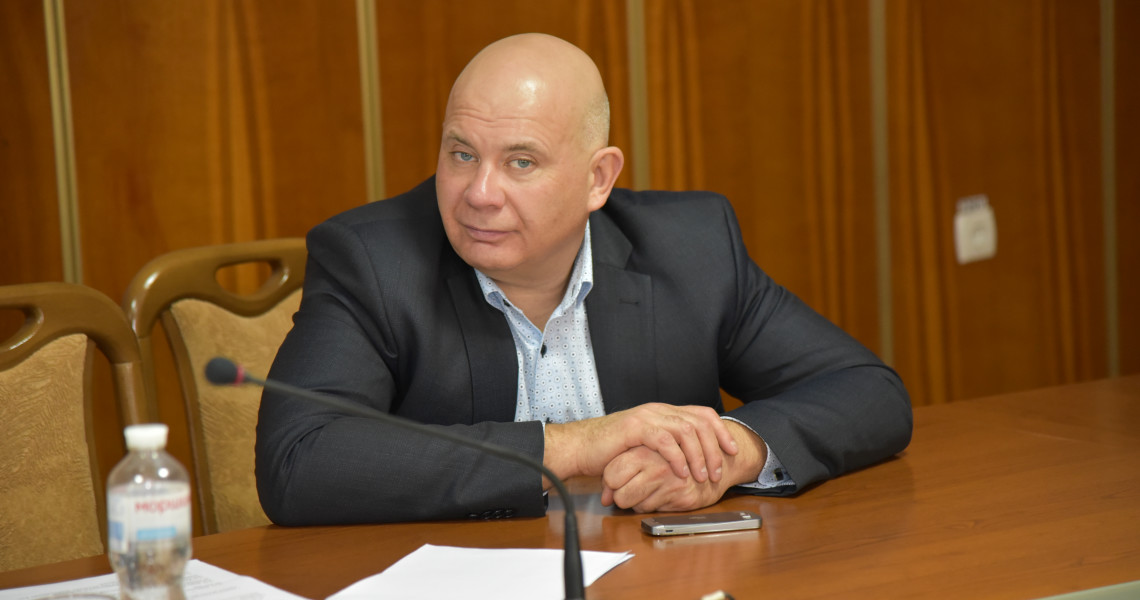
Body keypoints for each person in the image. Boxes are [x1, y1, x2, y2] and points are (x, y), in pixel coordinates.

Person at [255, 33, 912, 525]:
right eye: (461, 153)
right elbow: (300, 461)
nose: (479, 193)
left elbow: (867, 390)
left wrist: (727, 454)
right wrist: (576, 445)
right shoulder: (372, 261)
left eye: (521, 162)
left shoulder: (692, 249)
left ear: (599, 178)